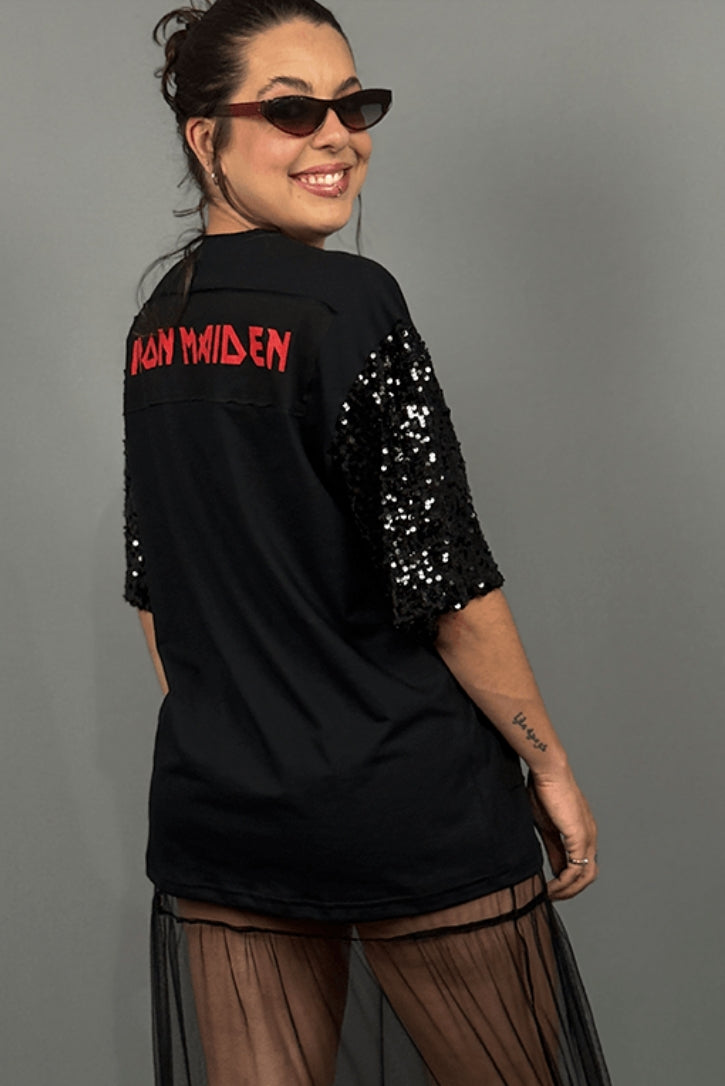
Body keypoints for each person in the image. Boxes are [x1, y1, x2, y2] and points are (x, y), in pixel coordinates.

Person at [123, 2, 611, 1083]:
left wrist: (249, 738)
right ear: (205, 136)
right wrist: (548, 765)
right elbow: (447, 584)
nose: (337, 136)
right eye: (292, 111)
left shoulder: (158, 324)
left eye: (354, 106)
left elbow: (158, 592)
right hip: (399, 801)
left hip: (224, 810)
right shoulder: (351, 303)